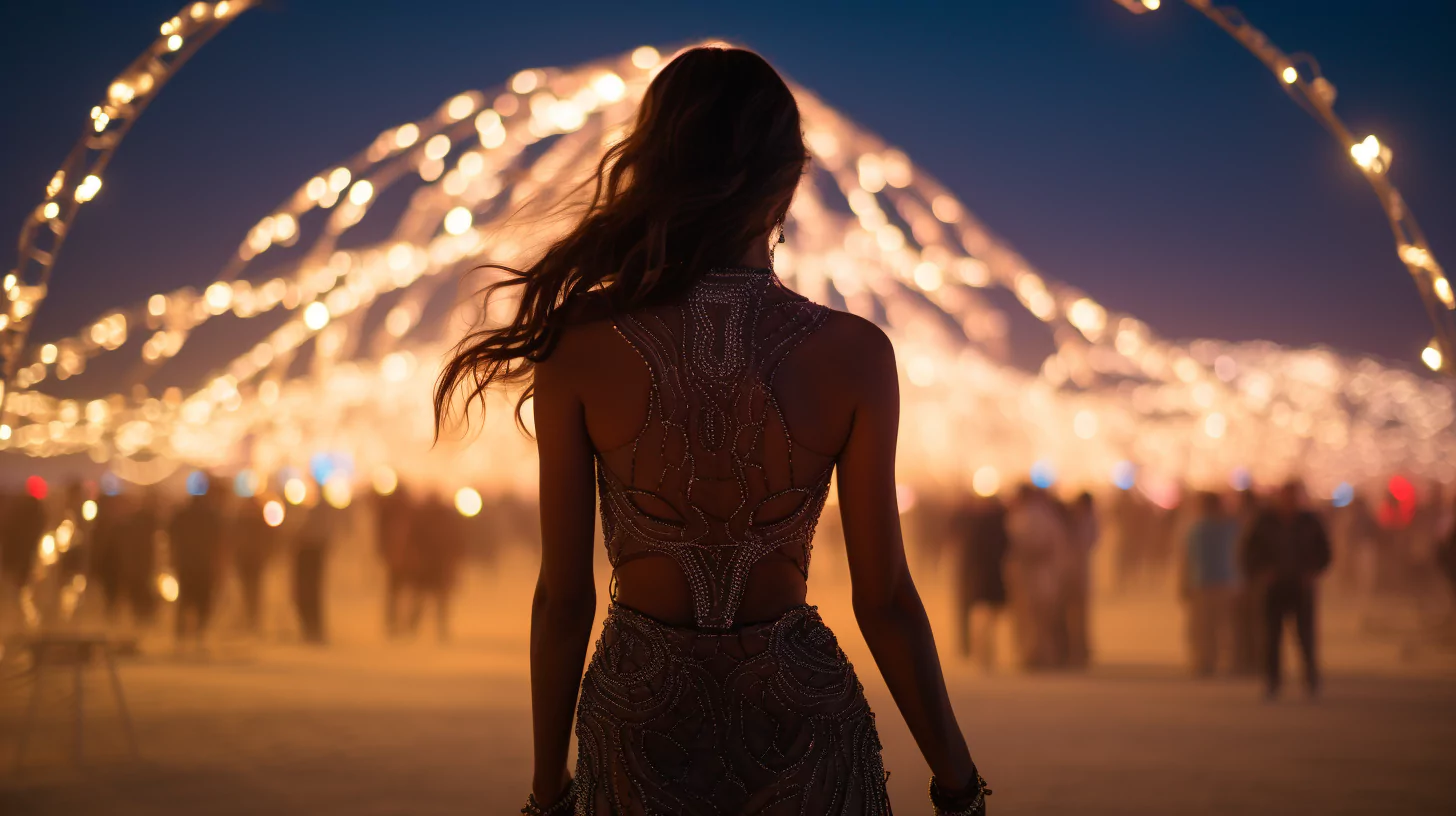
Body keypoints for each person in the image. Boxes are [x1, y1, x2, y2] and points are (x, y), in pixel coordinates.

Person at [433, 47, 988, 816]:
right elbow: (885, 599)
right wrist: (957, 783)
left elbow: (564, 599)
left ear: (654, 169)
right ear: (786, 182)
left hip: (640, 724)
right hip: (802, 718)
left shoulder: (581, 344)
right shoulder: (854, 354)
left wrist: (546, 788)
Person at [1242, 480, 1332, 699]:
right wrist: (1262, 573)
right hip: (1274, 589)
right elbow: (1249, 551)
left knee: (1305, 637)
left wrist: (1311, 572)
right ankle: (1273, 682)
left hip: (1301, 588)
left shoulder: (1310, 522)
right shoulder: (1265, 521)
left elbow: (1325, 552)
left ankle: (1311, 681)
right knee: (1272, 637)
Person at [1005, 484, 1065, 670]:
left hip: (1031, 572)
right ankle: (1040, 656)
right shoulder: (1045, 516)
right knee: (1040, 617)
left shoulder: (1021, 517)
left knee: (1030, 617)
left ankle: (1032, 656)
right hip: (1038, 573)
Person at [1182, 492, 1240, 676]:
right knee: (1208, 627)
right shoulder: (1204, 528)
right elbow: (1188, 559)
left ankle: (1208, 662)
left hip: (1214, 583)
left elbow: (1187, 560)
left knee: (1210, 627)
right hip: (1211, 583)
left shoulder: (1204, 528)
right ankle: (1206, 661)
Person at [951, 493, 1009, 670]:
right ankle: (986, 656)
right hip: (992, 578)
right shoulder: (999, 525)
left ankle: (984, 656)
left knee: (984, 619)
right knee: (988, 619)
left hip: (981, 579)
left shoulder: (977, 526)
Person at [169, 487, 223, 645]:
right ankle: (199, 633)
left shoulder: (182, 515)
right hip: (204, 566)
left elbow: (172, 536)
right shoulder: (212, 516)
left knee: (185, 601)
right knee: (203, 602)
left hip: (186, 565)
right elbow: (219, 542)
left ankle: (181, 635)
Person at [1061, 491, 1098, 668]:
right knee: (1074, 615)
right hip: (1072, 573)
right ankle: (1076, 650)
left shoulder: (1085, 522)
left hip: (1077, 574)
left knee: (1078, 615)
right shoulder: (1084, 522)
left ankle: (1079, 652)